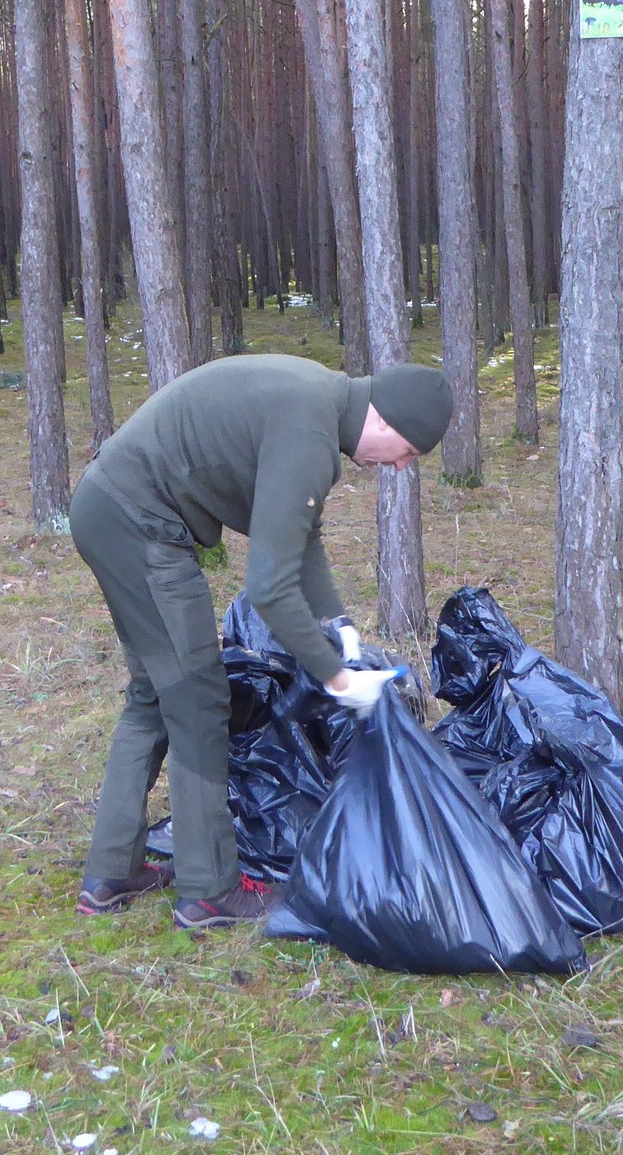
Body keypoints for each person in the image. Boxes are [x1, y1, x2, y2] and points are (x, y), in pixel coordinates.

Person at [69, 354, 454, 929]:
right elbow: (269, 590)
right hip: (138, 525)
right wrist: (337, 676)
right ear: (386, 421)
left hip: (110, 509)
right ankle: (208, 892)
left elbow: (301, 536)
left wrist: (337, 624)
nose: (400, 467)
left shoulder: (318, 405)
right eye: (409, 452)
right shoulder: (309, 433)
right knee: (198, 700)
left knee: (155, 693)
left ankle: (112, 871)